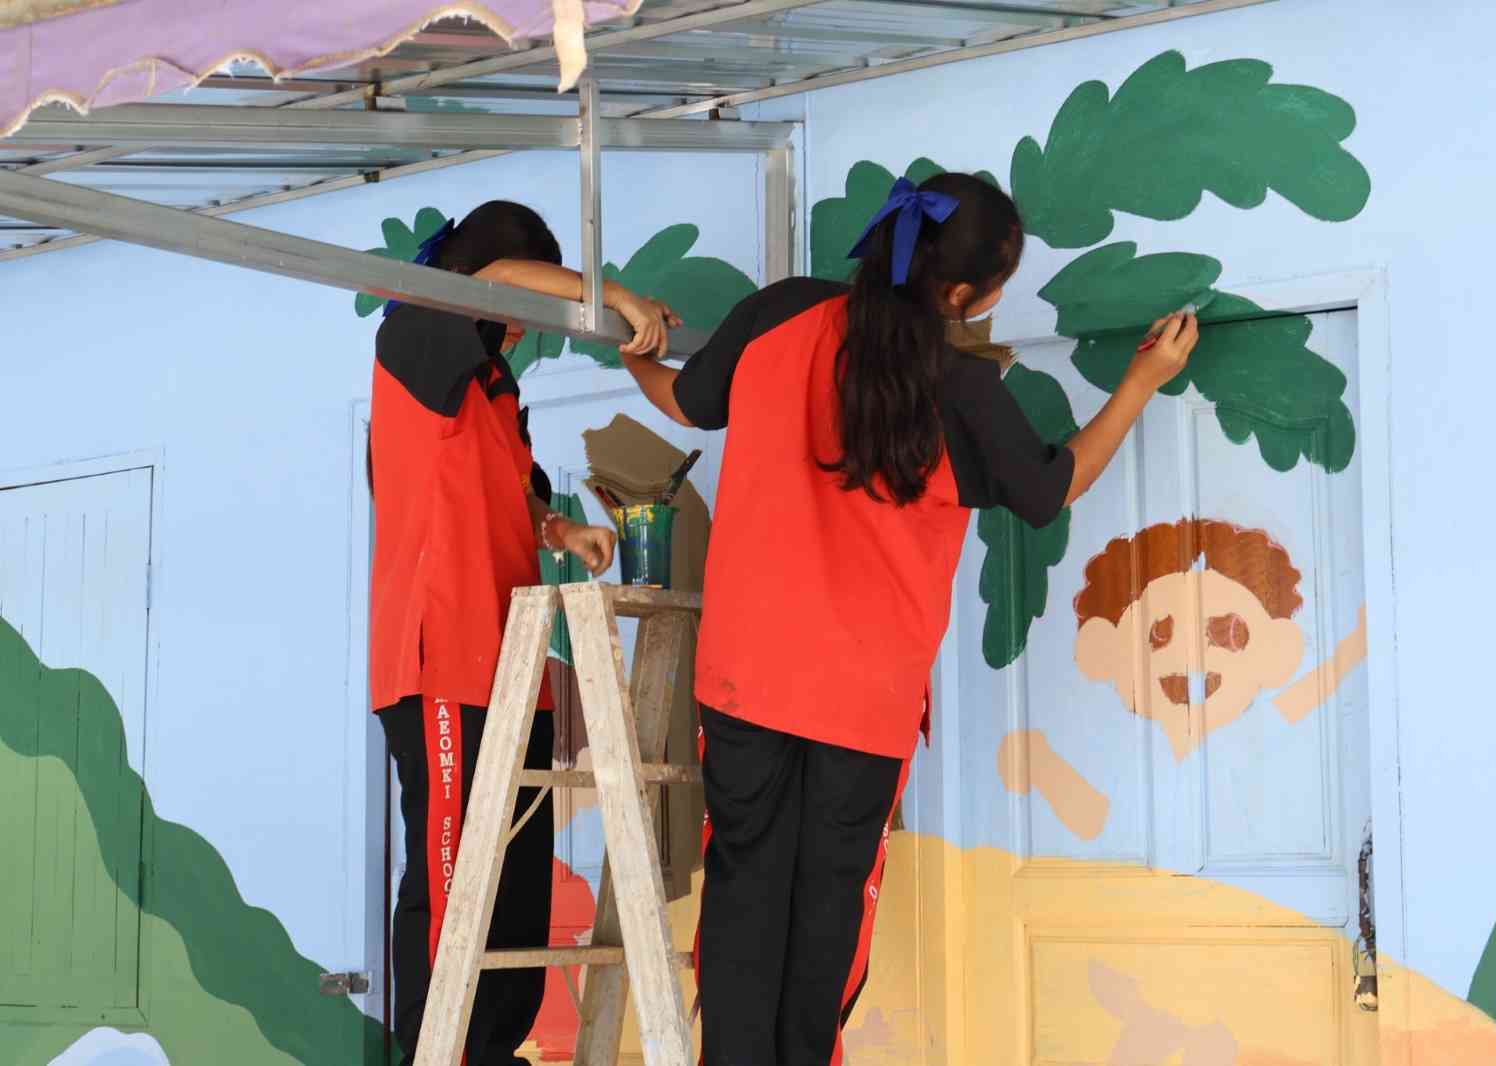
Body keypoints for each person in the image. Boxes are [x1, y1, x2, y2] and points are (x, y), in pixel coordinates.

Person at [620, 173, 1200, 1065]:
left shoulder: (780, 313)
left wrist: (634, 353)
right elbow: (1052, 488)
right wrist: (1142, 380)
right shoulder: (960, 389)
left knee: (743, 892)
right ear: (964, 293)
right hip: (863, 701)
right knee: (827, 907)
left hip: (745, 676)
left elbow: (685, 401)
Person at [367, 199, 677, 1065]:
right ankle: (440, 1052)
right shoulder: (413, 335)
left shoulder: (495, 387)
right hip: (439, 659)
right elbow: (497, 279)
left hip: (509, 662)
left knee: (514, 884)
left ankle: (496, 1049)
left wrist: (561, 531)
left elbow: (514, 489)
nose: (522, 331)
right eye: (525, 313)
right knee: (454, 881)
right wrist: (612, 297)